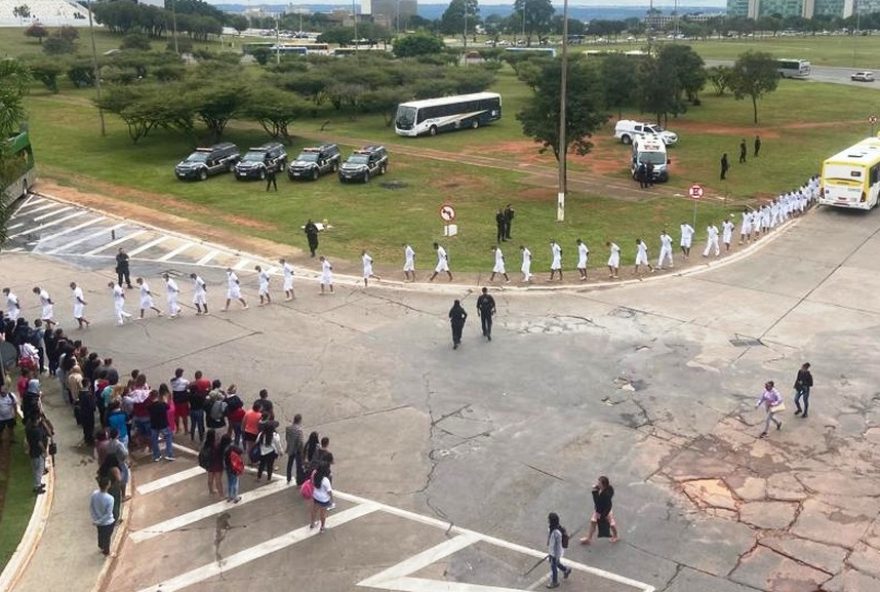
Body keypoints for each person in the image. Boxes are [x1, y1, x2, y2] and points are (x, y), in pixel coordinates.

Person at [580, 476, 619, 544]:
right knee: (593, 522)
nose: (598, 484)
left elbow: (598, 502)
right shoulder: (608, 489)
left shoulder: (605, 495)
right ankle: (589, 538)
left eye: (599, 483)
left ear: (603, 485)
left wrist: (595, 493)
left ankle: (616, 536)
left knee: (611, 523)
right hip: (599, 511)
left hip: (604, 512)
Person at [91, 476, 117, 556]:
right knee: (107, 537)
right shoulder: (110, 498)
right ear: (107, 485)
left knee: (100, 533)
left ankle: (101, 546)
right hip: (107, 522)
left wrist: (95, 519)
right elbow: (108, 514)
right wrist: (99, 521)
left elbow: (91, 506)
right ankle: (107, 551)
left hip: (98, 520)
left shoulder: (94, 494)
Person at [545, 512, 571, 588]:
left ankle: (555, 581)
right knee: (556, 563)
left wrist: (554, 555)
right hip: (553, 551)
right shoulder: (552, 528)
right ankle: (566, 569)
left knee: (553, 566)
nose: (548, 520)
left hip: (556, 552)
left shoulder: (557, 532)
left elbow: (558, 546)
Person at [309, 456, 335, 533]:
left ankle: (312, 524)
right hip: (324, 499)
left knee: (314, 511)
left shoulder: (314, 474)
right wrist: (332, 500)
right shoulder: (325, 480)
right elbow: (329, 491)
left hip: (315, 496)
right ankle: (322, 527)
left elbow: (311, 482)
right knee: (323, 514)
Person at [148, 389, 174, 461]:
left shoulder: (149, 406)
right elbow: (168, 407)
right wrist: (165, 400)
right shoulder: (162, 404)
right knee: (168, 438)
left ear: (151, 397)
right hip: (164, 424)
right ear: (158, 396)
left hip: (154, 425)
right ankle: (169, 454)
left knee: (154, 440)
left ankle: (157, 455)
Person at [25, 414, 47, 494]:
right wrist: (44, 451)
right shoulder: (37, 431)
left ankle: (37, 484)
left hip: (32, 452)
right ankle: (37, 486)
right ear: (37, 420)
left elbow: (27, 441)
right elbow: (40, 443)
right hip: (38, 453)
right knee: (39, 470)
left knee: (35, 470)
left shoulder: (29, 430)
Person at [202, 429, 225, 496]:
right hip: (217, 464)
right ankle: (221, 494)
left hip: (209, 463)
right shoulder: (217, 446)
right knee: (218, 480)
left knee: (210, 478)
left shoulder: (206, 444)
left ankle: (211, 491)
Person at [221, 434, 243, 503]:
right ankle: (235, 497)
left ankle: (230, 496)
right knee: (235, 482)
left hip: (227, 467)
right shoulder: (232, 447)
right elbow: (240, 451)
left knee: (229, 481)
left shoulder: (222, 448)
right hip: (233, 466)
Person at [285, 414, 305, 485]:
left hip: (290, 448)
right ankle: (298, 480)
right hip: (297, 450)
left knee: (289, 463)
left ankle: (288, 477)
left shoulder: (288, 428)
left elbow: (287, 438)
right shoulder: (299, 430)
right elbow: (301, 442)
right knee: (298, 465)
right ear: (299, 420)